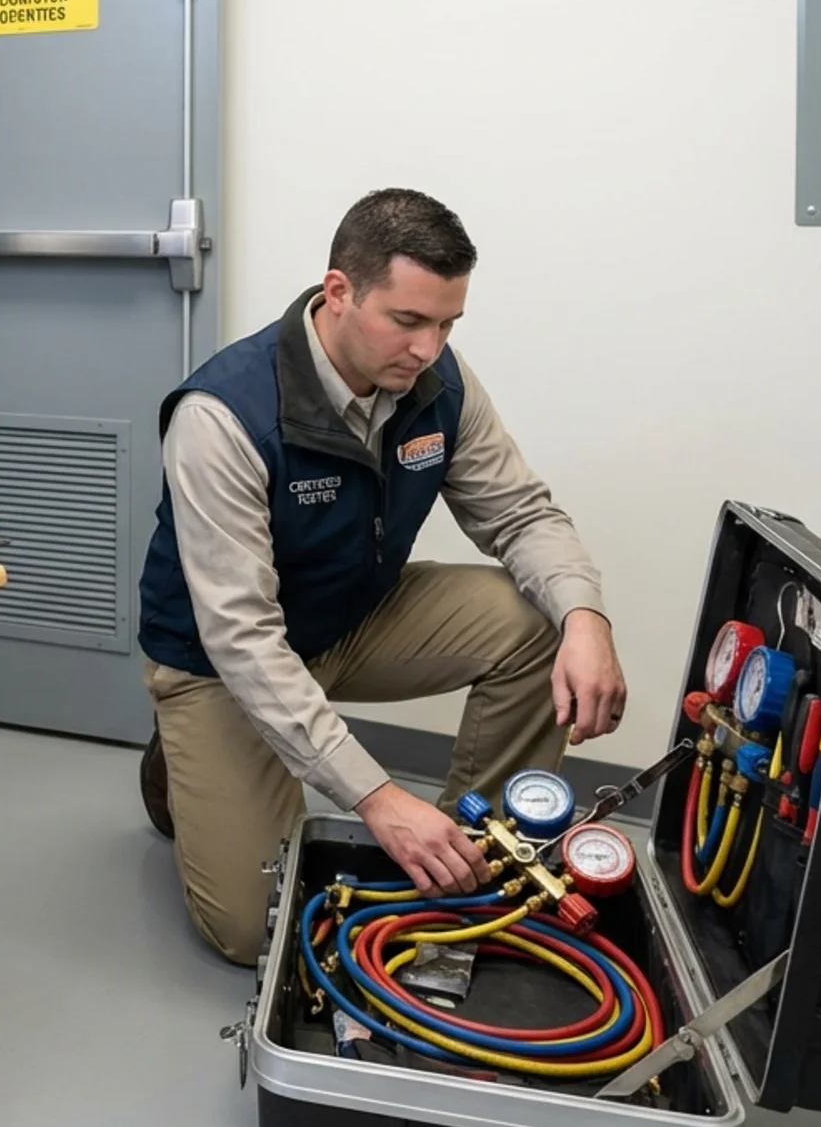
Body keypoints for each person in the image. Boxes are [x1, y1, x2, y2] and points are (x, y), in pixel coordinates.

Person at [136, 188, 626, 964]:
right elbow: (244, 639)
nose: (429, 347)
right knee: (254, 928)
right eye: (408, 321)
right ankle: (184, 756)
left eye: (447, 324)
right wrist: (378, 799)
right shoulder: (223, 415)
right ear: (339, 292)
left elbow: (522, 515)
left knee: (540, 619)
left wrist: (586, 618)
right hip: (221, 665)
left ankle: (469, 853)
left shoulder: (438, 383)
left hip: (351, 616)